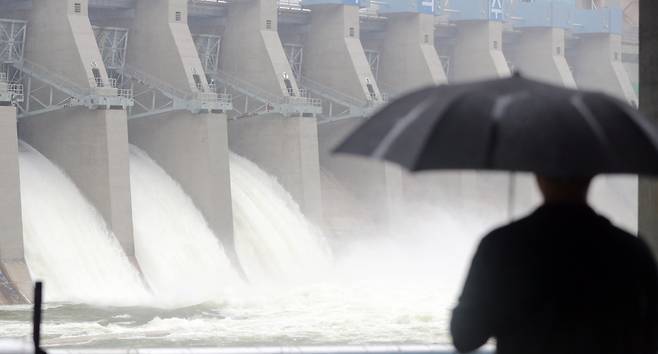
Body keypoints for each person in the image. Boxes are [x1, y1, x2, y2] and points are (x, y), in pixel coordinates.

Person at [451, 175, 658, 354]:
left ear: (538, 176)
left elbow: (464, 336)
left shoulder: (500, 246)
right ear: (590, 175)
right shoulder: (631, 251)